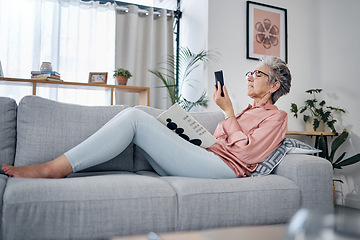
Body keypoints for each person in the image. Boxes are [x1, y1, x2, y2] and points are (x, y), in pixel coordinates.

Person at [2, 56, 291, 179]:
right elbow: (218, 140)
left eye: (258, 74)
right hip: (205, 159)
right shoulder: (245, 113)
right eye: (250, 73)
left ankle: (54, 168)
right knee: (140, 114)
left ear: (274, 85)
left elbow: (246, 153)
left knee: (134, 118)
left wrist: (227, 113)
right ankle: (59, 166)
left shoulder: (277, 117)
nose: (251, 78)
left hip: (225, 171)